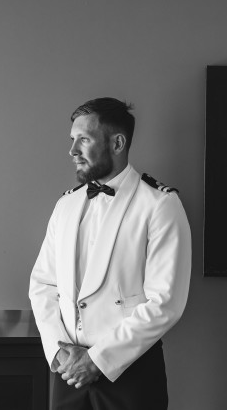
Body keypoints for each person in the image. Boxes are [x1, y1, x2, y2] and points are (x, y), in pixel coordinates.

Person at [29, 97, 192, 410]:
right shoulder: (66, 205)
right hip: (67, 373)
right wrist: (58, 351)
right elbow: (43, 285)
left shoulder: (160, 205)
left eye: (84, 139)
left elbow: (166, 301)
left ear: (117, 143)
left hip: (130, 374)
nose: (72, 150)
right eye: (72, 139)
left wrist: (98, 360)